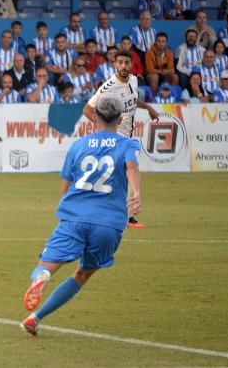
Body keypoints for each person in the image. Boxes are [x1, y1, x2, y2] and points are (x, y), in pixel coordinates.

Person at [20, 94, 142, 338]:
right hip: (109, 223)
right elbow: (131, 167)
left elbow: (65, 187)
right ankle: (35, 318)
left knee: (45, 266)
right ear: (120, 119)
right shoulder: (127, 144)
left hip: (74, 217)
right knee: (82, 273)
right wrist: (137, 192)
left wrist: (67, 210)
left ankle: (42, 277)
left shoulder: (77, 146)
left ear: (94, 118)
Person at [83, 49, 159, 229]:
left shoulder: (133, 80)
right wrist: (104, 128)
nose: (123, 66)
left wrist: (147, 107)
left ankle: (120, 215)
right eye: (120, 63)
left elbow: (132, 101)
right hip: (117, 139)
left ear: (131, 64)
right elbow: (87, 110)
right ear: (114, 64)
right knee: (130, 172)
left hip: (128, 137)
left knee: (124, 176)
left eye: (127, 62)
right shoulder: (108, 87)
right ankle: (119, 216)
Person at [144, 32, 179, 96]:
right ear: (155, 42)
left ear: (166, 43)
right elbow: (149, 69)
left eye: (163, 42)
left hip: (164, 75)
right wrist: (160, 71)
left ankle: (171, 98)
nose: (161, 44)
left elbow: (171, 66)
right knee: (155, 76)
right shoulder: (149, 53)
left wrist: (170, 70)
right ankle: (155, 100)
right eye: (159, 41)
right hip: (151, 75)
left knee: (175, 77)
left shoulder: (169, 52)